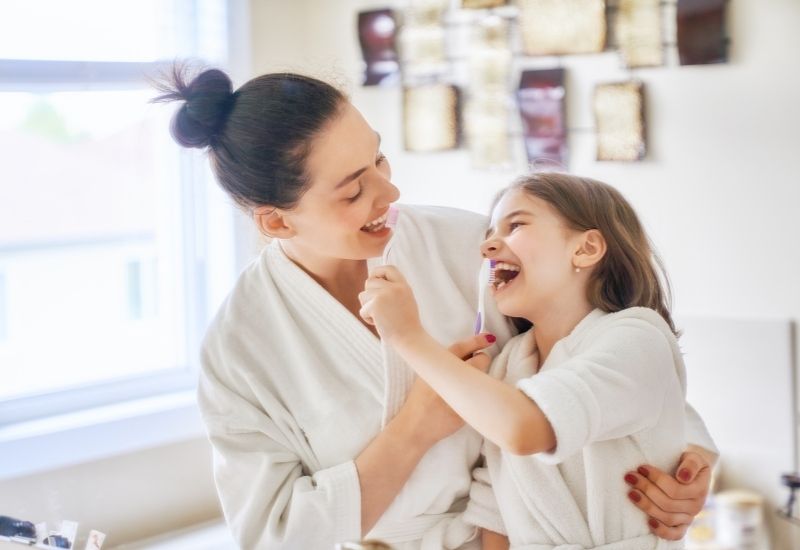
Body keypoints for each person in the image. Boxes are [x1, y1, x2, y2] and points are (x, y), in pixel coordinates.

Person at [153, 66, 717, 549]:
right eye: (353, 191)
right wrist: (418, 426)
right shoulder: (240, 347)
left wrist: (686, 454)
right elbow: (276, 534)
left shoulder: (463, 244)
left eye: (380, 160)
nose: (389, 194)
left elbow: (596, 346)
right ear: (276, 221)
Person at [359, 172, 712, 549]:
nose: (487, 247)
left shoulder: (639, 338)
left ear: (586, 249)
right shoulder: (513, 361)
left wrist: (408, 337)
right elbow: (496, 507)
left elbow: (524, 429)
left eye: (515, 226)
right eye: (490, 234)